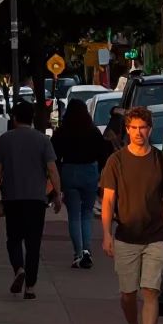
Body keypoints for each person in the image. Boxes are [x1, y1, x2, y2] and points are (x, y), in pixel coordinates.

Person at [100, 106, 163, 324]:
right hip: (126, 235)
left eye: (142, 127)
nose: (138, 132)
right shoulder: (116, 161)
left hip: (156, 234)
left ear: (150, 129)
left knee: (151, 291)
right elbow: (108, 200)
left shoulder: (160, 160)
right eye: (133, 128)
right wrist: (106, 234)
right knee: (128, 294)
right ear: (127, 130)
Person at [0, 99, 62, 299]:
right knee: (33, 242)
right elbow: (52, 169)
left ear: (14, 118)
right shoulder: (42, 140)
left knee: (13, 239)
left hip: (12, 197)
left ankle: (19, 269)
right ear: (32, 118)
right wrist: (57, 194)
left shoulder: (4, 140)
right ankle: (30, 287)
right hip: (36, 199)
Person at [52, 98, 109, 269]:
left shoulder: (62, 132)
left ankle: (78, 253)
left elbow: (54, 155)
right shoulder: (93, 131)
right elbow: (103, 154)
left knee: (74, 214)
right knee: (87, 213)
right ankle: (86, 250)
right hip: (90, 171)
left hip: (69, 170)